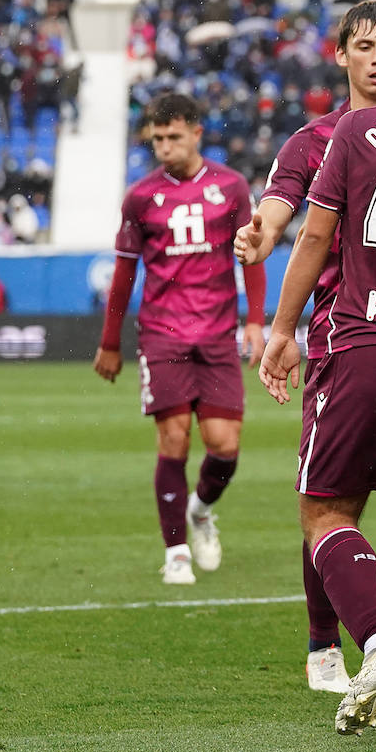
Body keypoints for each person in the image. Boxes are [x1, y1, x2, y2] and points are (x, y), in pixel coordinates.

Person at [259, 8, 376, 736]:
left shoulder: (351, 134)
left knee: (325, 508)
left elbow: (312, 231)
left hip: (361, 338)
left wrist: (280, 328)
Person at [235, 0, 376, 695]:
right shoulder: (314, 140)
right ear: (341, 56)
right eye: (362, 45)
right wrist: (262, 231)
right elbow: (283, 206)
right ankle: (324, 643)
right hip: (345, 335)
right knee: (334, 498)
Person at [94, 92, 267, 584]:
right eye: (157, 138)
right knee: (173, 439)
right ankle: (176, 554)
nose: (164, 145)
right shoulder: (140, 197)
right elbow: (124, 276)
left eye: (173, 136)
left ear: (196, 132)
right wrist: (110, 342)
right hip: (163, 334)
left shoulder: (231, 187)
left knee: (225, 446)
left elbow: (250, 255)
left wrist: (255, 320)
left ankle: (200, 510)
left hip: (216, 334)